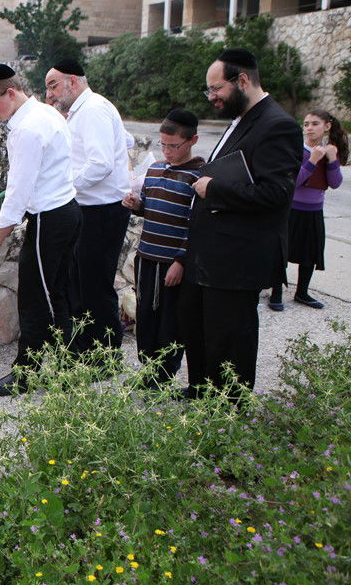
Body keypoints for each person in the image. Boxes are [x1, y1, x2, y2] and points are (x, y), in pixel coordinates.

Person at [178, 48, 302, 400]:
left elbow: (275, 195)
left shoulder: (278, 126)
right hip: (211, 251)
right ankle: (201, 391)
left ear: (242, 80)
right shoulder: (243, 118)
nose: (212, 97)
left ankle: (229, 412)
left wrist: (213, 187)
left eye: (216, 89)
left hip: (238, 256)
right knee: (198, 327)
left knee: (231, 338)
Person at [0, 63, 81, 396]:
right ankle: (62, 370)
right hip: (65, 213)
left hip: (50, 218)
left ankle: (29, 375)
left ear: (10, 92)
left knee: (38, 300)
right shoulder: (46, 115)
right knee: (54, 295)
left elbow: (17, 194)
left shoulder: (28, 128)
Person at [45, 59, 132, 352]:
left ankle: (104, 352)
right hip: (90, 208)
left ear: (72, 81)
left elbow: (100, 164)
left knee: (95, 285)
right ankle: (86, 346)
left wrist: (64, 188)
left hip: (103, 210)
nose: (51, 93)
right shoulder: (80, 111)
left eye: (53, 85)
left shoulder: (93, 109)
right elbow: (125, 140)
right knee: (80, 283)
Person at [121, 110, 204, 389]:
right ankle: (148, 370)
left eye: (174, 146)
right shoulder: (155, 169)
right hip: (148, 257)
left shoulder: (198, 177)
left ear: (192, 140)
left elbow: (197, 225)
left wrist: (181, 260)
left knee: (169, 321)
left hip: (171, 263)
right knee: (146, 317)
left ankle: (164, 374)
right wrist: (137, 205)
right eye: (163, 145)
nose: (167, 151)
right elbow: (149, 207)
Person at [268, 109, 347, 310]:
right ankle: (276, 292)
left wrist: (332, 159)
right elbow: (293, 183)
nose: (309, 128)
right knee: (282, 252)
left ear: (327, 126)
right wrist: (312, 161)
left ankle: (302, 292)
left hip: (314, 210)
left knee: (310, 253)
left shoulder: (328, 150)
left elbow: (336, 183)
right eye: (306, 124)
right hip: (291, 209)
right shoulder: (296, 150)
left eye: (315, 124)